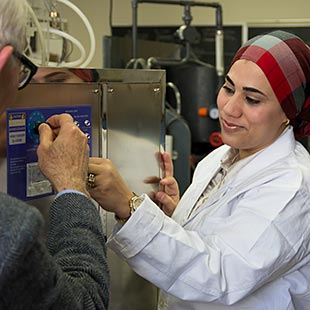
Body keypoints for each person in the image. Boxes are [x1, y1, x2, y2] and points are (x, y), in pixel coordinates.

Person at [87, 30, 310, 309]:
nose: (229, 108)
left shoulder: (291, 187)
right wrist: (175, 218)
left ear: (288, 113)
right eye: (228, 88)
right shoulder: (219, 158)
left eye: (252, 99)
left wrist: (128, 206)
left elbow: (219, 275)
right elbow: (215, 240)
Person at [0, 0, 109, 308]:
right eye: (23, 74)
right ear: (5, 61)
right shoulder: (12, 229)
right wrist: (72, 185)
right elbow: (83, 301)